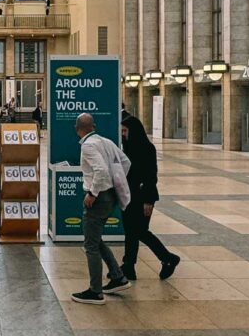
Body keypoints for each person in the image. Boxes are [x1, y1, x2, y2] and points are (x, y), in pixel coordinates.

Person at [71, 113, 132, 304]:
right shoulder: (106, 141)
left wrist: (93, 193)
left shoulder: (88, 146)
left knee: (90, 245)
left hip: (98, 199)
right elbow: (125, 162)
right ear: (93, 126)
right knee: (96, 240)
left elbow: (101, 170)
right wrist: (116, 183)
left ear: (77, 128)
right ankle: (117, 276)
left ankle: (95, 291)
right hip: (112, 196)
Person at [120, 112, 180, 280]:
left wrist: (148, 201)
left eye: (125, 131)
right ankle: (129, 266)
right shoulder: (128, 147)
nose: (123, 134)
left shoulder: (146, 148)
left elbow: (150, 176)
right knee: (131, 232)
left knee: (139, 231)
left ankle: (168, 258)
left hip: (142, 197)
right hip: (129, 195)